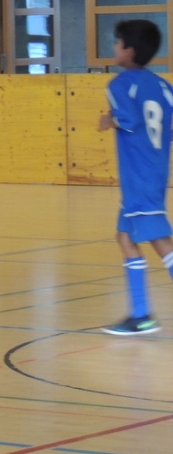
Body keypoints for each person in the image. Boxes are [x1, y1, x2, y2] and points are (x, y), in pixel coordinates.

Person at [98, 20, 173, 335]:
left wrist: (109, 120)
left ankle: (141, 316)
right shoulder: (164, 86)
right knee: (125, 238)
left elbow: (127, 119)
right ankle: (140, 315)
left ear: (129, 51)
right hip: (153, 171)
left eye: (117, 43)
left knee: (160, 241)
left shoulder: (119, 84)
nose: (114, 48)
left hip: (139, 176)